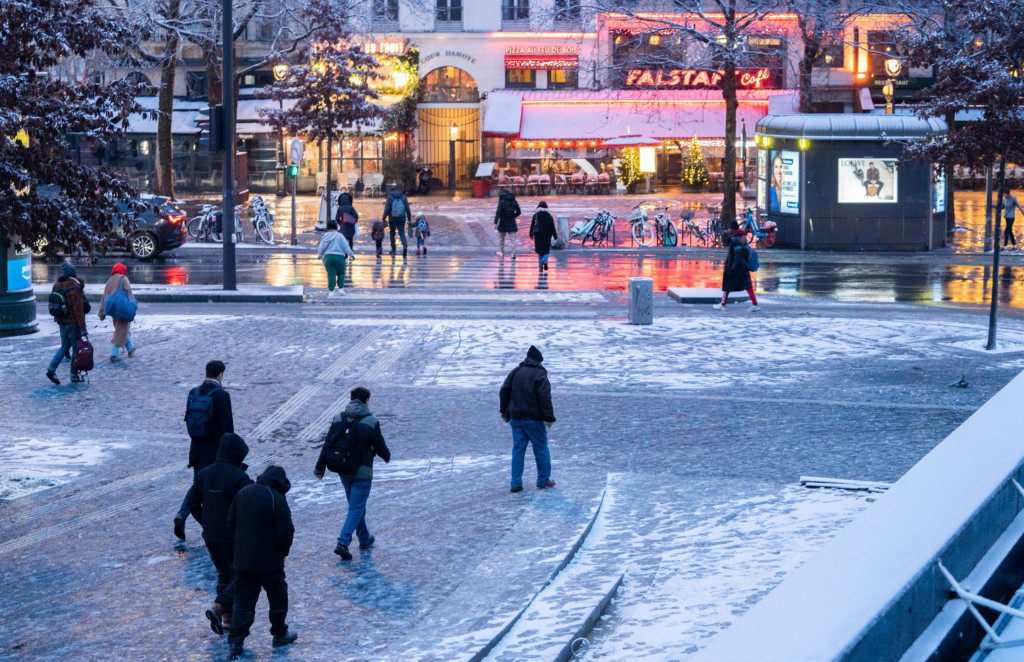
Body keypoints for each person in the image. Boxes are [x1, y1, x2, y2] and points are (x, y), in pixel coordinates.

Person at [226, 465, 297, 659]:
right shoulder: (276, 499)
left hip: (243, 561)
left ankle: (235, 641)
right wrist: (282, 552)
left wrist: (239, 549)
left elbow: (230, 523)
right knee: (278, 596)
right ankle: (279, 633)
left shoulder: (243, 493)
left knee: (243, 600)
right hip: (269, 562)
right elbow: (286, 531)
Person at [186, 433, 252, 636]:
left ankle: (226, 618)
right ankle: (221, 609)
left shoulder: (204, 474)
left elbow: (192, 503)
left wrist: (205, 522)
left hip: (211, 535)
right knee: (242, 575)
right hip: (232, 536)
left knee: (224, 574)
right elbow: (247, 509)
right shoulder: (239, 478)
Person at [314, 386, 391, 561]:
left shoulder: (338, 418)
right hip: (362, 472)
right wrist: (387, 457)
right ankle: (343, 543)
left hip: (343, 471)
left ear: (350, 399)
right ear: (367, 401)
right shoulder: (371, 422)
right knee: (356, 507)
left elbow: (328, 444)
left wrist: (320, 468)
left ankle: (364, 538)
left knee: (356, 507)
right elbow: (380, 447)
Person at [175, 360, 234, 541]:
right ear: (220, 375)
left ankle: (182, 514)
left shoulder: (194, 393)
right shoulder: (222, 396)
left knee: (198, 485)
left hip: (198, 450)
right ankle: (215, 526)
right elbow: (228, 429)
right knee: (216, 490)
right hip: (216, 451)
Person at [499, 345, 556, 493]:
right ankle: (543, 480)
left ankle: (515, 483)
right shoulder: (540, 374)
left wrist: (504, 411)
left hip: (516, 419)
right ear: (538, 361)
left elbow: (504, 390)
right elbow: (545, 397)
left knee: (518, 450)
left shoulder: (515, 371)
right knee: (541, 448)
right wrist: (549, 418)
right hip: (534, 419)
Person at [46, 262, 88, 385]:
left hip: (61, 322)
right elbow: (78, 310)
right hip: (73, 324)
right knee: (75, 348)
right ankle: (74, 374)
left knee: (64, 346)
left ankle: (51, 368)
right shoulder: (75, 286)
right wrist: (83, 328)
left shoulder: (57, 285)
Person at [712, 221, 759, 311]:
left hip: (735, 267)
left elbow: (737, 255)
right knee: (748, 286)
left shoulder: (734, 239)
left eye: (730, 228)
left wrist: (733, 268)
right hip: (743, 267)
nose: (729, 230)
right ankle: (755, 304)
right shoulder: (743, 237)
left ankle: (723, 304)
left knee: (727, 286)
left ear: (732, 229)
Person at [98, 262, 134, 362]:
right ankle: (113, 355)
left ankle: (130, 349)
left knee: (121, 329)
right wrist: (132, 309)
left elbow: (104, 297)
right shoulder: (124, 279)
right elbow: (130, 296)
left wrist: (101, 312)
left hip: (113, 310)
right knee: (120, 330)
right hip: (123, 309)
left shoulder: (109, 281)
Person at [317, 219, 355, 298]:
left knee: (331, 274)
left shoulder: (325, 236)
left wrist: (319, 255)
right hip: (339, 257)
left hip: (328, 257)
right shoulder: (340, 236)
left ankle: (331, 291)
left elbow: (321, 247)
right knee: (341, 273)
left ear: (328, 227)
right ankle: (341, 289)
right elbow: (346, 247)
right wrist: (351, 254)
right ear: (336, 227)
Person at [529, 201, 557, 272]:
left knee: (540, 252)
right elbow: (552, 227)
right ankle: (545, 260)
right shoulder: (549, 216)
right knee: (546, 251)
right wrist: (555, 235)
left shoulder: (535, 215)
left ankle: (540, 267)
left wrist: (531, 234)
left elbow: (532, 226)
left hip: (538, 236)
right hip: (547, 236)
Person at [383, 187, 411, 257]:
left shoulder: (389, 197)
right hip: (402, 218)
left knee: (392, 234)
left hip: (392, 219)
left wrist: (384, 218)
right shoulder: (404, 197)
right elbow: (407, 209)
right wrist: (409, 219)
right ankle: (405, 247)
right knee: (401, 233)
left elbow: (387, 209)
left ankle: (393, 250)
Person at [494, 189, 522, 260]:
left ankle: (501, 252)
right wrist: (513, 216)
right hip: (512, 222)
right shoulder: (514, 201)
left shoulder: (501, 202)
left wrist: (495, 222)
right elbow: (519, 212)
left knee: (501, 239)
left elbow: (498, 213)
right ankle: (513, 254)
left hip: (503, 223)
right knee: (513, 240)